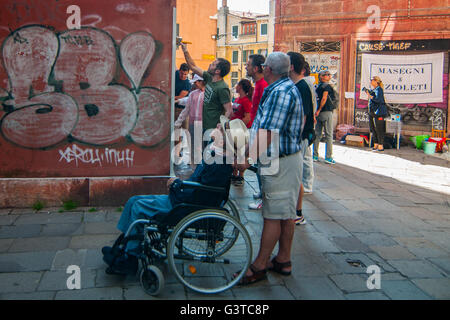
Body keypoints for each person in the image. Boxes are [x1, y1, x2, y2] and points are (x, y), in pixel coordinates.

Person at [102, 118, 249, 275]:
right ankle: (123, 246)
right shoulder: (217, 154)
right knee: (133, 201)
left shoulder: (218, 162)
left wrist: (177, 184)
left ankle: (130, 258)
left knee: (137, 206)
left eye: (221, 128)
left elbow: (199, 191)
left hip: (184, 204)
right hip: (187, 198)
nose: (218, 125)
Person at [234, 52, 303, 285]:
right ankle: (283, 260)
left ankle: (259, 266)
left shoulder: (281, 92)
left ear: (268, 69)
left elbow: (269, 132)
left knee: (273, 215)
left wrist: (247, 160)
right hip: (283, 159)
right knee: (285, 215)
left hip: (281, 162)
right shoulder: (281, 88)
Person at [180, 43, 232, 143]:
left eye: (212, 64)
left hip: (213, 131)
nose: (209, 65)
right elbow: (193, 66)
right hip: (204, 127)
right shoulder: (209, 78)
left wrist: (220, 127)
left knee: (209, 156)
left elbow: (229, 111)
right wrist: (185, 50)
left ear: (217, 71)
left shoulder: (222, 88)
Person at [287, 52, 315, 226]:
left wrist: (294, 138)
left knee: (296, 176)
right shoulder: (297, 84)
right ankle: (295, 211)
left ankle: (298, 213)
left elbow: (303, 116)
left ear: (291, 67)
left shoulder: (302, 86)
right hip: (298, 137)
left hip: (300, 137)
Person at [245, 54, 268, 210]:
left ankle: (264, 198)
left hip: (260, 130)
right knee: (260, 166)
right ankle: (261, 193)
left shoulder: (263, 85)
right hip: (256, 128)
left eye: (248, 65)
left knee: (262, 167)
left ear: (255, 68)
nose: (246, 67)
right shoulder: (259, 84)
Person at [174, 74, 206, 165]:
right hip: (193, 124)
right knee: (193, 147)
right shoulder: (193, 94)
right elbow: (186, 109)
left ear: (201, 81)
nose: (195, 84)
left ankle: (200, 168)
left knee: (203, 147)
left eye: (196, 82)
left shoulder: (208, 94)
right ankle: (194, 168)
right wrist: (178, 122)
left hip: (204, 124)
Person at [230, 79, 253, 186]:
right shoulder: (238, 99)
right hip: (235, 131)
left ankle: (241, 175)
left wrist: (238, 126)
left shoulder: (246, 101)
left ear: (241, 87)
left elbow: (248, 117)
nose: (236, 86)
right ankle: (234, 173)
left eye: (238, 84)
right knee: (235, 152)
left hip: (242, 131)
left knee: (241, 153)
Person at [313, 70, 336, 164]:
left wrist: (317, 111)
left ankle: (315, 155)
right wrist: (320, 109)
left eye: (329, 74)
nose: (328, 76)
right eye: (326, 74)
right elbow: (324, 98)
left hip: (318, 113)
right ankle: (328, 157)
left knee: (317, 134)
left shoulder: (317, 86)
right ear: (322, 77)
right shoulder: (327, 86)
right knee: (329, 135)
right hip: (326, 111)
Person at [364, 76, 388, 152]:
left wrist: (370, 96)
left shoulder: (379, 89)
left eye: (372, 80)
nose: (371, 81)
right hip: (372, 112)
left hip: (378, 112)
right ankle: (376, 144)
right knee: (373, 128)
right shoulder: (374, 89)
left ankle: (380, 145)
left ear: (376, 81)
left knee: (379, 128)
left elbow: (378, 100)